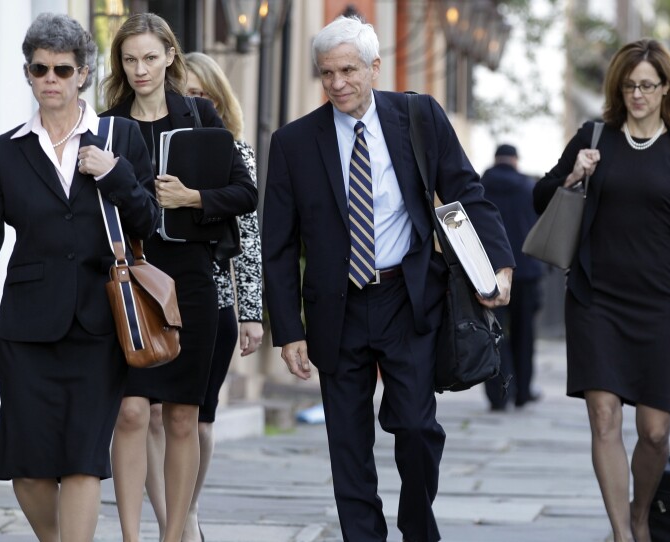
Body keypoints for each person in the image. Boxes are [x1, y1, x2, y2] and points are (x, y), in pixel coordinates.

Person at [262, 15, 515, 542]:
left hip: (408, 296)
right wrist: (288, 329)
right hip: (337, 307)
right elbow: (279, 246)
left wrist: (499, 265)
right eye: (326, 73)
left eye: (348, 70)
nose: (337, 84)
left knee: (418, 428)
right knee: (347, 442)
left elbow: (466, 190)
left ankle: (418, 528)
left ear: (375, 68)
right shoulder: (293, 142)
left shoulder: (418, 117)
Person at [0, 13, 159, 542]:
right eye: (41, 70)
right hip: (28, 329)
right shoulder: (6, 150)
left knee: (83, 459)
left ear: (83, 73)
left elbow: (150, 218)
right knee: (29, 468)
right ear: (29, 74)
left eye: (63, 69)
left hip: (99, 324)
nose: (51, 80)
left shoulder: (118, 135)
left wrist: (114, 172)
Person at [533, 38, 670, 542]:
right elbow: (541, 198)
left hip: (658, 302)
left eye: (647, 85)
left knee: (655, 432)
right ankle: (624, 534)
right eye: (629, 85)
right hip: (596, 297)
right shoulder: (594, 135)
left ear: (667, 88)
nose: (637, 94)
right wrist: (574, 174)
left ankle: (641, 513)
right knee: (604, 417)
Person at [100, 13, 257, 542]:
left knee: (185, 417)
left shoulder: (201, 114)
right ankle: (129, 535)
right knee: (130, 411)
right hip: (131, 277)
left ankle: (174, 535)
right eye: (129, 59)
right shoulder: (107, 124)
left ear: (170, 55)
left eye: (149, 57)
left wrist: (193, 198)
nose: (139, 69)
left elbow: (245, 191)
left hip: (191, 276)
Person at [139, 51, 264, 542]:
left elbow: (250, 239)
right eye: (180, 94)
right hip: (152, 298)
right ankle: (167, 518)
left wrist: (252, 313)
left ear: (215, 101)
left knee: (197, 418)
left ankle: (187, 512)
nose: (188, 104)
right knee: (145, 413)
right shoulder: (147, 144)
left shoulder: (236, 152)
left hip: (210, 301)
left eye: (198, 96)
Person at [481, 144, 543, 411]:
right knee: (524, 334)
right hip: (525, 272)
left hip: (487, 273)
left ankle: (498, 395)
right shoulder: (529, 188)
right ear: (516, 160)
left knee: (492, 335)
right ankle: (523, 391)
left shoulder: (480, 187)